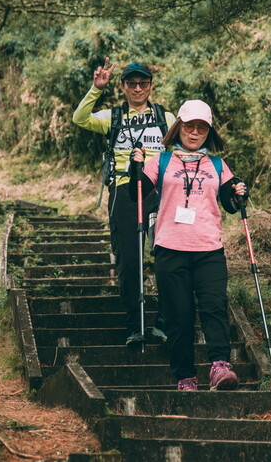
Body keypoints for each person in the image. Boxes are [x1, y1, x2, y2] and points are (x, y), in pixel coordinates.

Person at [130, 99, 247, 391]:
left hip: (209, 250)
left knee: (214, 308)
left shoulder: (217, 165)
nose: (195, 133)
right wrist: (136, 167)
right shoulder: (162, 161)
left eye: (202, 128)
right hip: (170, 250)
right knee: (179, 318)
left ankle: (220, 367)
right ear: (178, 127)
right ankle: (185, 377)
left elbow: (232, 204)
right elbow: (137, 194)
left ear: (209, 132)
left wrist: (240, 192)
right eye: (190, 126)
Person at [72, 58, 175, 347]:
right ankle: (135, 324)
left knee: (167, 255)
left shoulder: (165, 117)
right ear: (123, 86)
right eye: (132, 83)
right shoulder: (112, 116)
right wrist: (96, 88)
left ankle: (164, 321)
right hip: (123, 189)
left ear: (151, 86)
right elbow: (79, 118)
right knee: (129, 261)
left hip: (159, 190)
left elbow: (184, 146)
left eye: (143, 83)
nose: (138, 88)